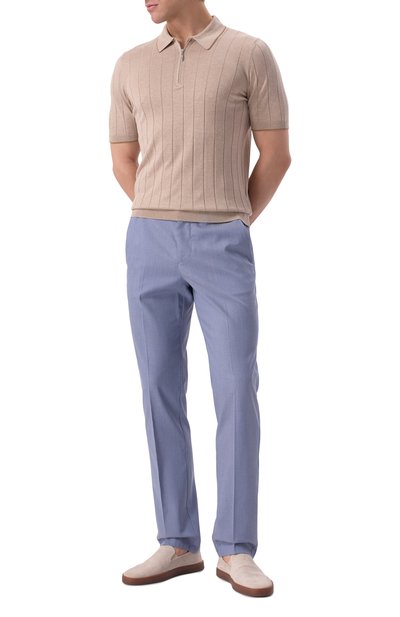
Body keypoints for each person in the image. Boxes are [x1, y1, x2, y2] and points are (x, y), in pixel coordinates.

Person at [109, 0, 291, 598]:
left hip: (223, 239)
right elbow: (124, 158)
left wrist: (233, 220)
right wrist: (161, 209)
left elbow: (277, 154)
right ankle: (178, 541)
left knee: (237, 387)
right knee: (158, 387)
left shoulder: (249, 54)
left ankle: (236, 548)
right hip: (148, 239)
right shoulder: (131, 64)